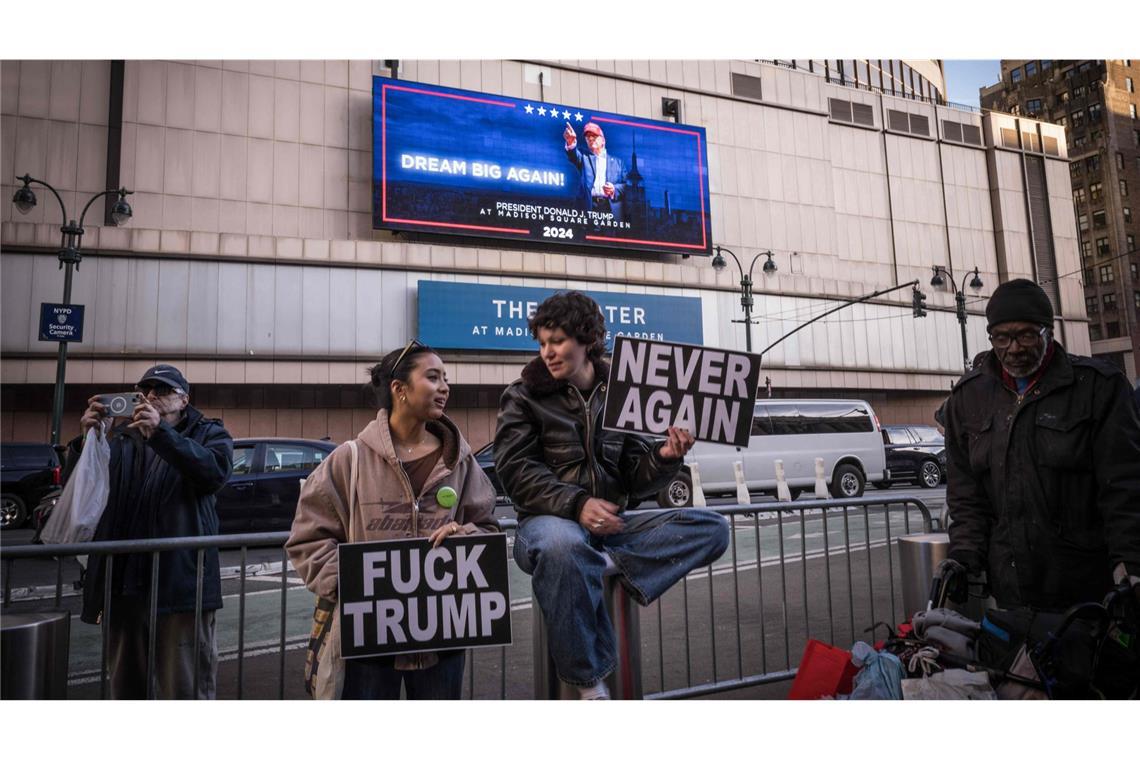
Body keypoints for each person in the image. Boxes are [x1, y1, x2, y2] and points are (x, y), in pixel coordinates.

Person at [494, 291, 729, 699]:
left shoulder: (623, 393)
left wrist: (666, 456)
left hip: (612, 529)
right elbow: (515, 471)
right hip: (548, 524)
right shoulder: (523, 396)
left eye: (558, 341)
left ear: (587, 340)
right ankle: (588, 684)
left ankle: (597, 564)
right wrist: (576, 504)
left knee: (714, 528)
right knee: (563, 546)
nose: (548, 352)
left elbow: (636, 479)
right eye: (543, 342)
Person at [286, 341, 498, 699]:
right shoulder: (348, 459)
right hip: (368, 642)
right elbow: (307, 540)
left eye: (445, 378)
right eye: (432, 377)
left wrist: (465, 536)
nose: (444, 387)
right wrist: (355, 584)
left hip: (442, 641)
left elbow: (488, 529)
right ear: (399, 389)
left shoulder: (460, 461)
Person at [942, 279, 1140, 612]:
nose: (1014, 348)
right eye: (1001, 338)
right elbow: (966, 495)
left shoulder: (1097, 387)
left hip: (1087, 589)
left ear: (1048, 332)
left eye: (1026, 335)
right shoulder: (968, 397)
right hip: (1010, 588)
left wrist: (1131, 562)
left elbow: (1124, 485)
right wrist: (964, 556)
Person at [75, 364, 233, 699]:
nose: (150, 397)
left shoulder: (209, 432)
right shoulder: (121, 436)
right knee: (126, 685)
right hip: (124, 584)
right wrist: (89, 440)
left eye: (161, 391)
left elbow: (214, 473)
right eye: (144, 391)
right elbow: (90, 489)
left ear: (183, 400)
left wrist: (161, 433)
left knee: (185, 687)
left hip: (180, 584)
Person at [564, 121, 627, 221]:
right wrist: (571, 142)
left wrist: (614, 189)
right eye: (588, 137)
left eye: (594, 135)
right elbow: (573, 155)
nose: (590, 138)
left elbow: (627, 186)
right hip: (589, 208)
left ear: (603, 140)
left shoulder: (618, 163)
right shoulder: (584, 157)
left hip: (610, 209)